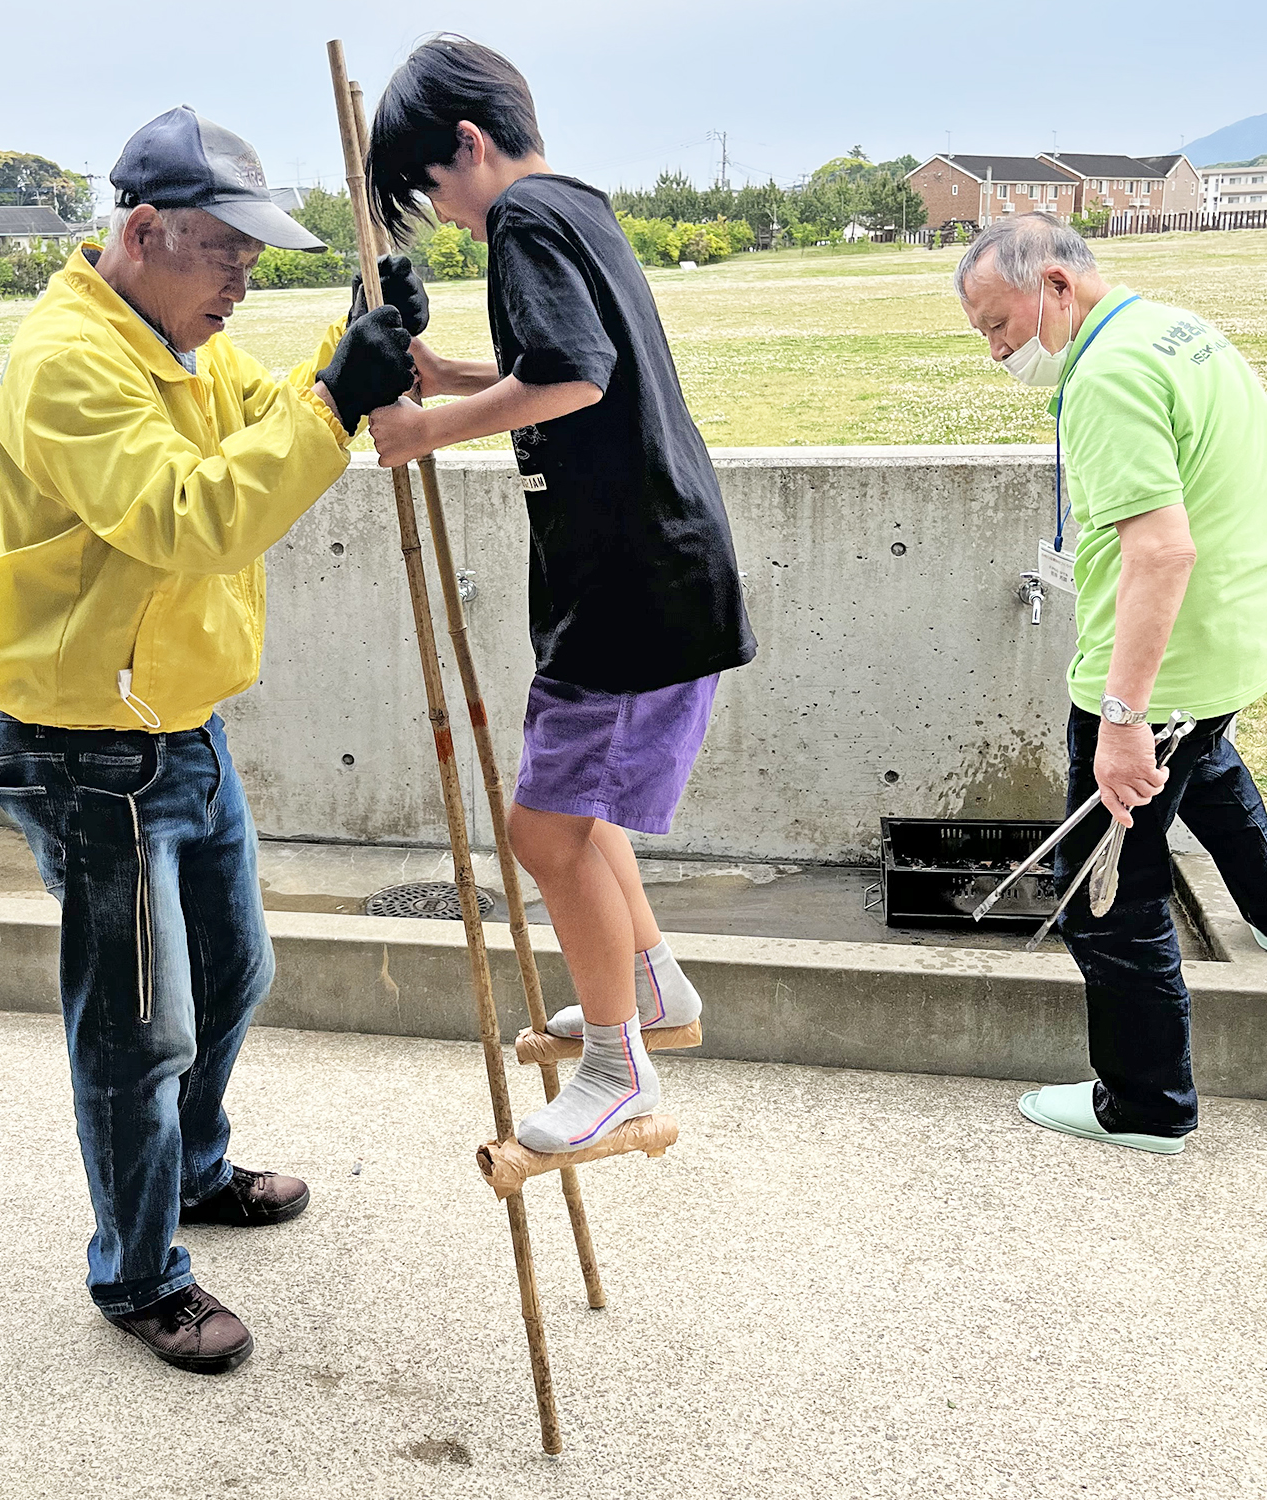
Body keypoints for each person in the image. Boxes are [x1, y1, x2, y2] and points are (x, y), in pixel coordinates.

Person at [0, 105, 425, 1372]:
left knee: (233, 976)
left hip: (177, 723)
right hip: (87, 744)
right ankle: (135, 1276)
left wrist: (353, 337)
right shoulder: (72, 362)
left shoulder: (177, 337)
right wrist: (340, 401)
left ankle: (194, 1169)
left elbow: (267, 411)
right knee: (136, 1029)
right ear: (141, 230)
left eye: (255, 255)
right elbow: (189, 517)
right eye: (224, 251)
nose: (242, 278)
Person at [364, 37, 757, 1156]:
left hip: (631, 586)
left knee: (542, 832)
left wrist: (426, 426)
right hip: (653, 575)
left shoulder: (523, 223)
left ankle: (615, 1071)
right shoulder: (577, 208)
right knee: (574, 816)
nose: (437, 213)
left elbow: (575, 374)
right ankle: (652, 989)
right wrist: (448, 378)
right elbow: (565, 366)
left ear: (467, 147)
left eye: (429, 187)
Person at [955, 213, 1267, 1154]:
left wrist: (1122, 719)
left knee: (1108, 885)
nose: (996, 351)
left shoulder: (1104, 377)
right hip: (1229, 646)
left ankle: (1145, 1104)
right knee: (1210, 770)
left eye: (997, 323)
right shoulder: (1181, 330)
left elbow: (1161, 552)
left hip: (1157, 669)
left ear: (1054, 285)